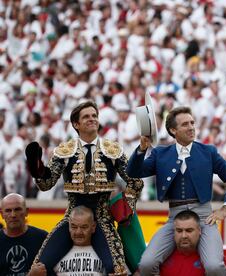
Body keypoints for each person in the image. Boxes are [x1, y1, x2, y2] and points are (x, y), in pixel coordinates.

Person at [25, 101, 144, 275]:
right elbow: (46, 184)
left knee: (117, 270)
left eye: (94, 116)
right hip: (72, 219)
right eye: (86, 116)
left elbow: (136, 182)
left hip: (103, 219)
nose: (92, 119)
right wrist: (38, 170)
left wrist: (127, 205)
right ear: (76, 124)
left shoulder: (113, 150)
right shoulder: (64, 151)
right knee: (39, 267)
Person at [127, 106, 226, 276]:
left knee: (214, 267)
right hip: (175, 217)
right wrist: (141, 150)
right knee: (146, 264)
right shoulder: (160, 153)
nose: (191, 127)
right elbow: (134, 172)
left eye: (192, 123)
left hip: (204, 217)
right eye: (185, 124)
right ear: (173, 130)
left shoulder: (208, 151)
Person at [29, 206, 105, 275]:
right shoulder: (54, 255)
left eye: (84, 227)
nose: (78, 232)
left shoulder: (106, 256)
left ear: (93, 227)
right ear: (68, 227)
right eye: (74, 227)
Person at [160, 210, 226, 276]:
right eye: (179, 231)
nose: (184, 236)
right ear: (173, 232)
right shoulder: (161, 256)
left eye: (189, 230)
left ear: (200, 231)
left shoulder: (212, 256)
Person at [0, 193, 48, 275]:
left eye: (17, 209)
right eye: (8, 210)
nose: (13, 215)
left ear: (26, 211)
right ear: (2, 214)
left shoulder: (43, 238)